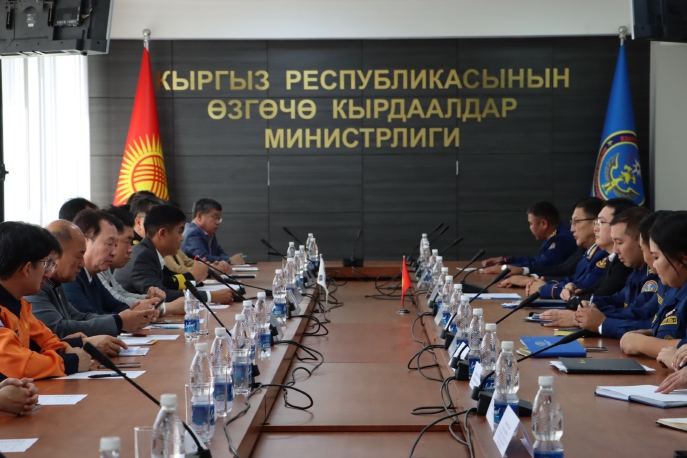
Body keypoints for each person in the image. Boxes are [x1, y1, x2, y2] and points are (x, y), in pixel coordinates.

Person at [25, 221, 147, 355]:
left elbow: (76, 316)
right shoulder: (34, 287)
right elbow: (57, 330)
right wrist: (118, 322)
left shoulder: (55, 283)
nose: (82, 264)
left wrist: (120, 320)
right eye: (79, 256)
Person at [0, 222, 90, 379]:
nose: (48, 274)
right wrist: (69, 362)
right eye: (45, 264)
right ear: (27, 268)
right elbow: (17, 365)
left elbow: (46, 341)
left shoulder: (19, 304)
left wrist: (64, 349)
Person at [544, 207, 654, 329]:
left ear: (641, 242)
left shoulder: (652, 275)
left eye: (619, 242)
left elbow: (640, 314)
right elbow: (616, 299)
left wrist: (587, 318)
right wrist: (592, 305)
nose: (616, 250)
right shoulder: (636, 271)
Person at [115, 204, 235, 304]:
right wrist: (210, 296)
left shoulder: (150, 252)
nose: (182, 238)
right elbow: (161, 295)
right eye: (179, 232)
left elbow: (169, 283)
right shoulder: (143, 256)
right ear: (162, 234)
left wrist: (198, 280)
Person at [62, 209, 158, 329]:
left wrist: (133, 313)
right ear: (85, 242)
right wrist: (123, 319)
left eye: (116, 245)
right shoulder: (70, 277)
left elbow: (116, 305)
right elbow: (86, 318)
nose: (114, 252)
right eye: (109, 244)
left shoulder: (92, 275)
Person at [500, 197, 607, 298]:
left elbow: (581, 288)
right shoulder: (588, 250)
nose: (572, 229)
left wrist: (542, 287)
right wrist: (537, 281)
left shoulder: (603, 254)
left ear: (596, 223)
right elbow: (573, 279)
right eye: (572, 223)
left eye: (576, 222)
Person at [619, 211, 687, 359]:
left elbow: (684, 348)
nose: (654, 265)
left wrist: (642, 343)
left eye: (656, 257)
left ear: (682, 259)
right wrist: (647, 334)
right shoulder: (674, 289)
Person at [98, 205, 183, 315]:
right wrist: (166, 307)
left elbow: (121, 294)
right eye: (110, 243)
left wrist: (149, 299)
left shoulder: (104, 268)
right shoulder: (143, 255)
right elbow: (116, 302)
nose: (131, 250)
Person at [480, 201, 576, 275]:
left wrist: (504, 268)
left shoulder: (562, 240)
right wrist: (505, 260)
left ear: (543, 223)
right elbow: (537, 260)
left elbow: (542, 265)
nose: (530, 227)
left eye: (531, 223)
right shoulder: (555, 235)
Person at [131, 196, 208, 284]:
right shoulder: (142, 253)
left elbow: (168, 280)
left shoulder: (151, 248)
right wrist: (194, 276)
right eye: (155, 216)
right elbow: (160, 287)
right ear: (138, 222)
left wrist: (195, 277)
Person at [182, 198, 244, 270]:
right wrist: (230, 260)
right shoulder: (192, 233)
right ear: (200, 216)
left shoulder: (209, 232)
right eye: (215, 217)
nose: (218, 222)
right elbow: (203, 259)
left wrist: (227, 259)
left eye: (219, 218)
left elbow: (220, 252)